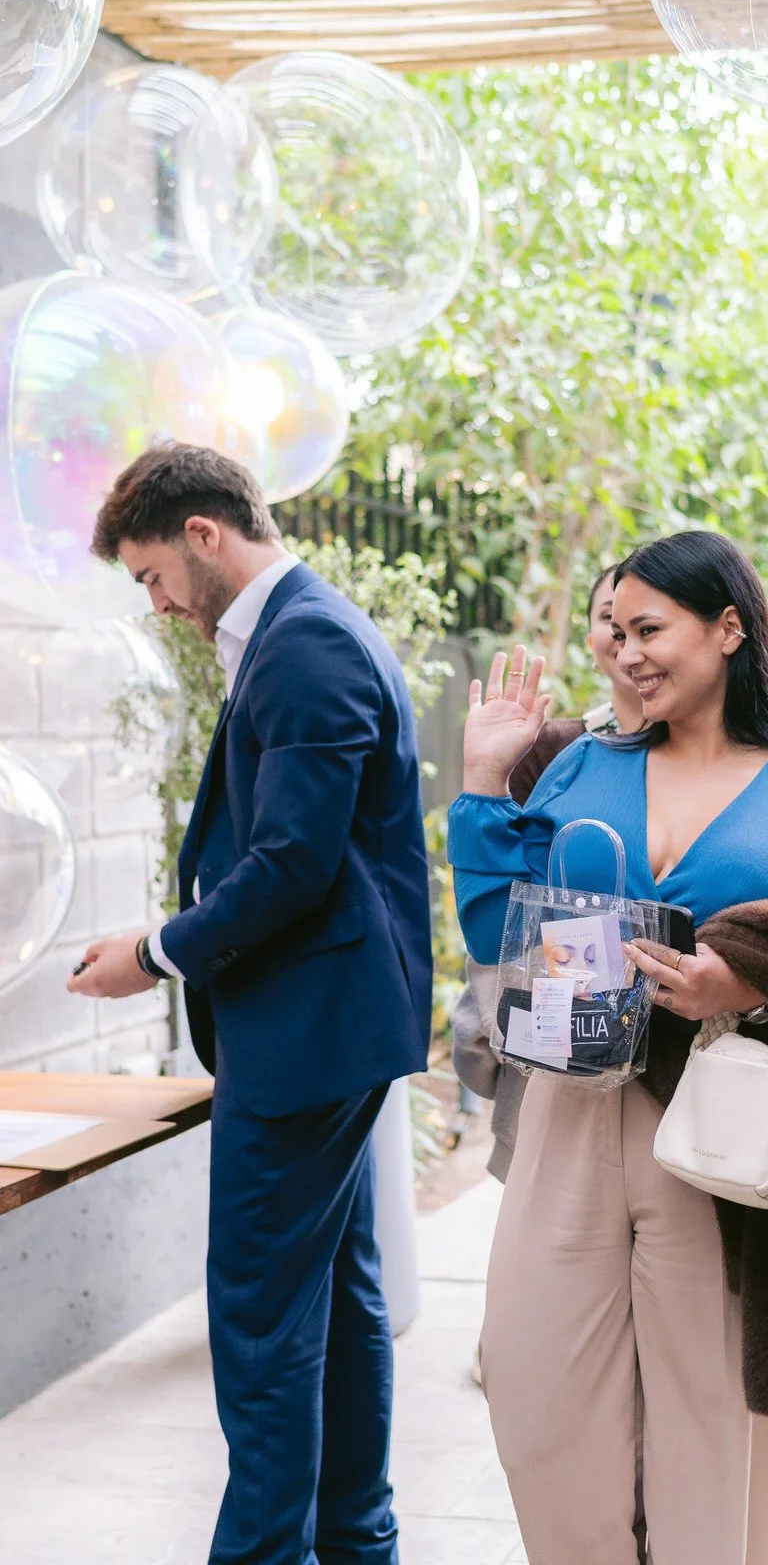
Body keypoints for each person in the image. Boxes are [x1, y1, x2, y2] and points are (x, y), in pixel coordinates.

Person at [447, 530, 768, 1565]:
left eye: (651, 629)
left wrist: (753, 970)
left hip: (717, 1120)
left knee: (708, 1413)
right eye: (618, 631)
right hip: (567, 1107)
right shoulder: (581, 769)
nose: (628, 651)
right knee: (534, 1380)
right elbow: (491, 935)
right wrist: (481, 782)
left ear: (728, 629)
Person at [73, 444, 432, 1565]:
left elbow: (290, 863)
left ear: (202, 535)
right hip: (326, 1027)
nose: (156, 603)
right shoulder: (297, 632)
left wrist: (155, 951)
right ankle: (354, 1541)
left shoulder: (305, 641)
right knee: (338, 1300)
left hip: (308, 1032)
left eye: (148, 577)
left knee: (262, 1321)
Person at [451, 564, 644, 1181]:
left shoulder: (741, 765)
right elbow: (502, 921)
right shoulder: (549, 749)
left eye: (647, 622)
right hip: (558, 1042)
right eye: (610, 619)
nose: (626, 638)